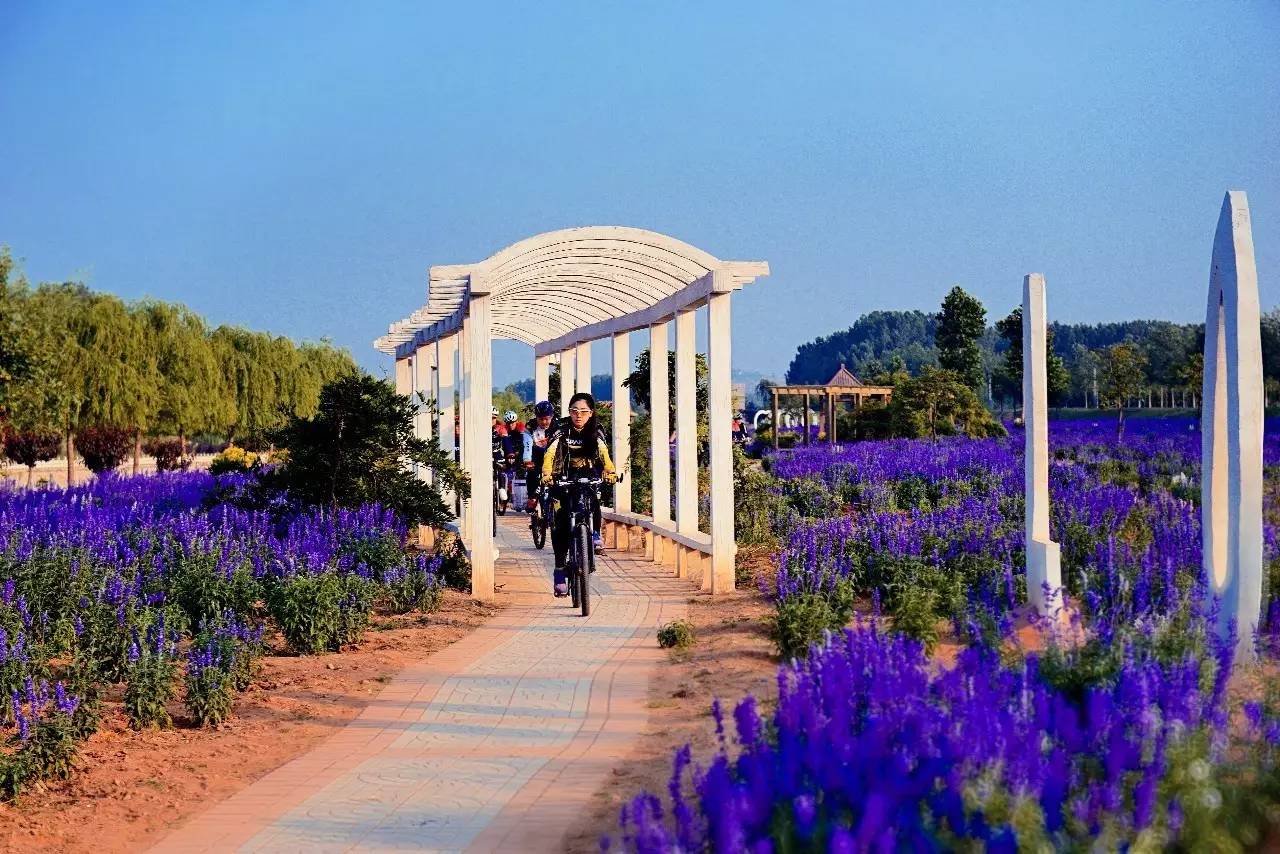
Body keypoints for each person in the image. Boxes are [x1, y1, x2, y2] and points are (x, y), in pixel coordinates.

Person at [540, 393, 616, 597]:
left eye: (583, 412)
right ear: (569, 413)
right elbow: (550, 453)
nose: (578, 416)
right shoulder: (561, 428)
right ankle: (558, 571)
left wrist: (609, 471)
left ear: (591, 413)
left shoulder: (596, 429)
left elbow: (603, 453)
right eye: (574, 411)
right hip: (561, 476)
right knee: (560, 524)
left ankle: (595, 535)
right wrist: (547, 474)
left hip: (587, 474)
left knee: (593, 498)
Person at [525, 400, 558, 512]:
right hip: (536, 456)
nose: (544, 422)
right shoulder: (530, 426)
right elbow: (526, 445)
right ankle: (532, 498)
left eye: (547, 418)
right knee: (531, 472)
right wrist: (527, 460)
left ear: (552, 416)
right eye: (541, 419)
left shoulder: (557, 426)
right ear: (536, 417)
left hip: (554, 457)